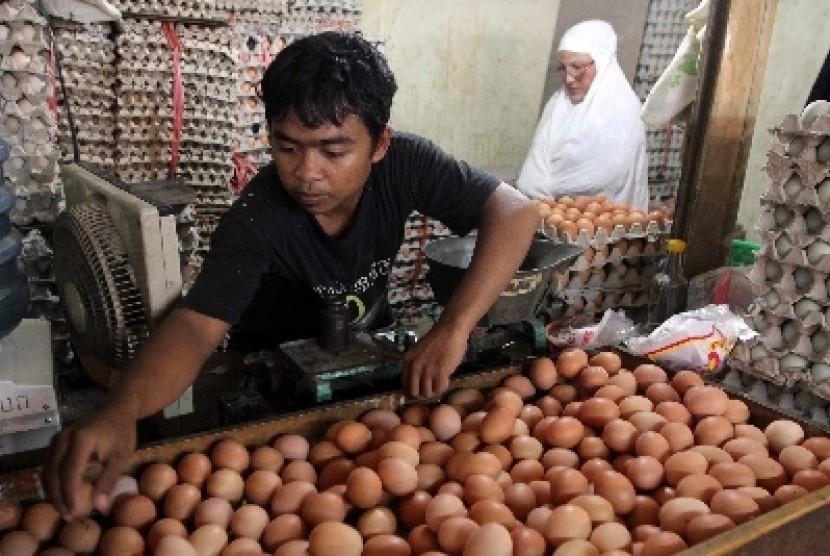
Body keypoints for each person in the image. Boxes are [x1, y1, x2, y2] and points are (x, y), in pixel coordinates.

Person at [43, 31, 539, 520]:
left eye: (333, 151)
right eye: (287, 148)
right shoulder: (259, 220)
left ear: (379, 143)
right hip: (274, 382)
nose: (307, 173)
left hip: (364, 351)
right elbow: (196, 327)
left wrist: (453, 328)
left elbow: (515, 214)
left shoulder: (406, 164)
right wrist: (121, 409)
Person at [517, 19, 649, 212]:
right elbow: (531, 174)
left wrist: (550, 189)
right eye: (563, 68)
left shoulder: (623, 111)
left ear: (602, 61)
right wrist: (549, 192)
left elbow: (605, 179)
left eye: (577, 67)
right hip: (553, 220)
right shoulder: (557, 103)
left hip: (603, 228)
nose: (569, 78)